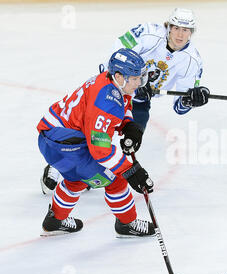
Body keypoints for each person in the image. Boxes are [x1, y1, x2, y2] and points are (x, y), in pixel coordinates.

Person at [40, 8, 210, 194]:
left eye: (185, 30)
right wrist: (129, 81)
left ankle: (91, 168)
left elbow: (179, 106)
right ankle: (58, 165)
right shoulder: (148, 32)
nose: (180, 34)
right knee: (87, 124)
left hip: (140, 101)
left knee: (131, 136)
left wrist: (190, 101)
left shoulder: (192, 61)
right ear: (168, 26)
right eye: (176, 27)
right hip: (113, 87)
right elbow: (117, 53)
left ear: (192, 33)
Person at [38, 48, 156, 237]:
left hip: (51, 140)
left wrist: (128, 124)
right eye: (135, 78)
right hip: (69, 146)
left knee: (76, 179)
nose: (139, 83)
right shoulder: (106, 101)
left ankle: (55, 220)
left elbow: (122, 102)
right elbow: (100, 149)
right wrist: (130, 170)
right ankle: (127, 224)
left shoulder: (107, 80)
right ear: (119, 76)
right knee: (115, 179)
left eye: (140, 77)